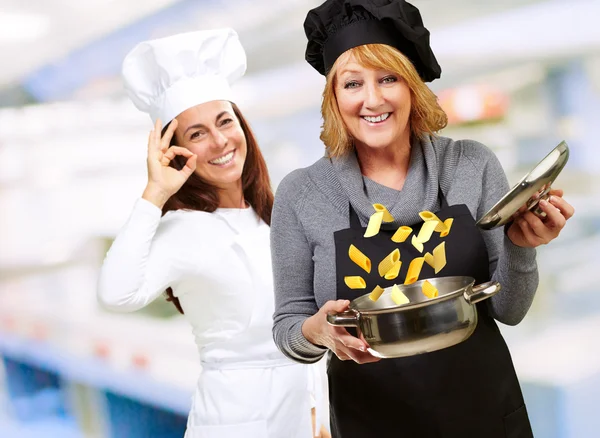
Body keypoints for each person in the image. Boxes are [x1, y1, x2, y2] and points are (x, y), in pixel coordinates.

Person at [270, 1, 575, 437]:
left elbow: (510, 311)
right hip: (369, 423)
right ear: (334, 98)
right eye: (352, 83)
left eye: (388, 79)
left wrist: (520, 247)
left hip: (484, 416)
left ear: (411, 85)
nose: (372, 99)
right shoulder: (303, 194)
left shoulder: (471, 165)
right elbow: (288, 328)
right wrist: (318, 332)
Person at [97, 28, 321, 438]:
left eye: (224, 121)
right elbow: (116, 294)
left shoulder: (272, 216)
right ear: (174, 149)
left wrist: (318, 416)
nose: (219, 141)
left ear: (242, 126)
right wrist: (155, 191)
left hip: (301, 416)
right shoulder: (183, 228)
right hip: (237, 422)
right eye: (196, 134)